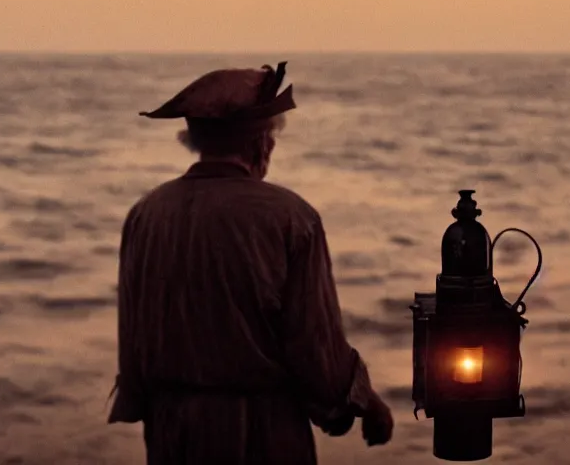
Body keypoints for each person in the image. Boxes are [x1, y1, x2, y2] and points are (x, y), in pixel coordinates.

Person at [106, 61, 394, 464]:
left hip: (173, 433)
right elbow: (313, 345)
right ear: (262, 144)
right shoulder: (291, 218)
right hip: (261, 432)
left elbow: (132, 340)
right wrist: (361, 403)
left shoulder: (146, 214)